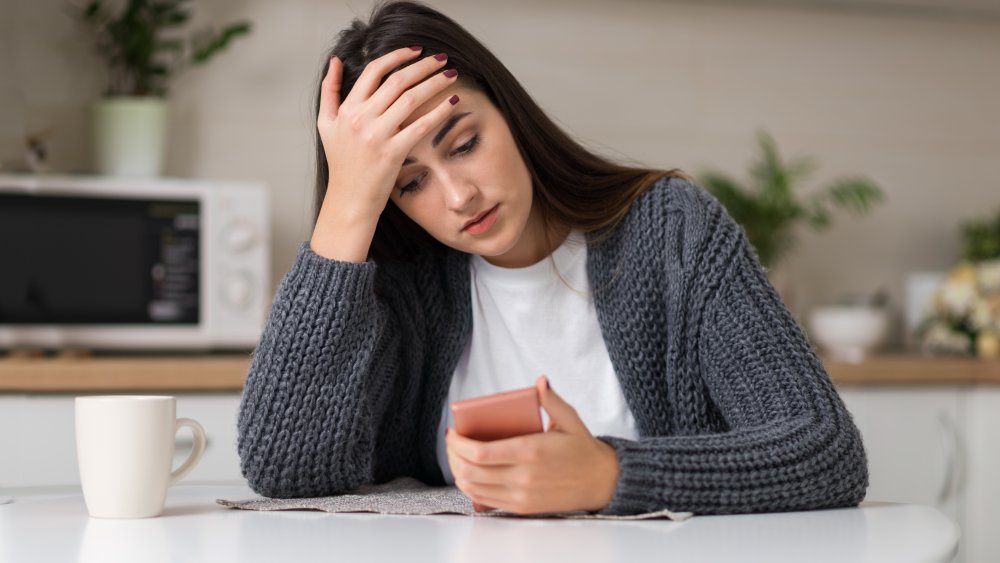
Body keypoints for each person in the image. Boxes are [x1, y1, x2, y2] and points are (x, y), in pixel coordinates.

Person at [236, 0, 868, 516]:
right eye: (409, 184)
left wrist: (611, 473)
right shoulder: (397, 286)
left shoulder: (672, 233)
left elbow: (824, 450)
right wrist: (347, 207)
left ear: (508, 111)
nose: (460, 196)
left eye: (464, 144)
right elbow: (284, 469)